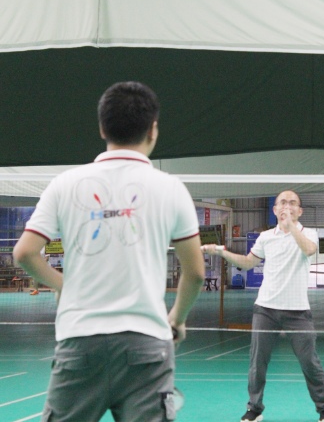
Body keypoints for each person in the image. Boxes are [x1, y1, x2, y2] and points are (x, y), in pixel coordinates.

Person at [13, 81, 205, 422]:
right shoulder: (171, 188)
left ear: (102, 128)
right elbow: (195, 272)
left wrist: (64, 286)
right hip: (147, 345)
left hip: (79, 343)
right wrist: (177, 317)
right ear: (153, 129)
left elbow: (25, 253)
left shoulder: (64, 183)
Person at [203, 190, 324, 422]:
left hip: (298, 312)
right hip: (266, 309)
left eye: (292, 203)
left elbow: (309, 250)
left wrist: (291, 226)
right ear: (274, 210)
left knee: (310, 362)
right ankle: (254, 409)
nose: (287, 206)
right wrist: (220, 252)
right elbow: (247, 262)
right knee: (257, 362)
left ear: (299, 211)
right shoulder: (265, 237)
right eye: (282, 202)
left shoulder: (310, 234)